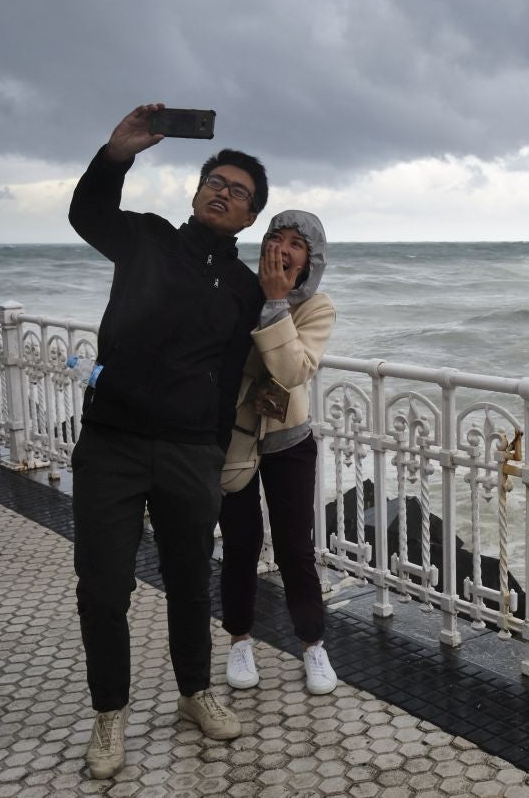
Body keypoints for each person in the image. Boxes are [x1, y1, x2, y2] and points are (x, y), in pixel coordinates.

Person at [68, 103, 266, 780]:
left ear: (249, 217)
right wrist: (116, 153)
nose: (224, 192)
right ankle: (109, 716)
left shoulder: (242, 288)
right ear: (197, 191)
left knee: (189, 583)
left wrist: (212, 452)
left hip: (189, 454)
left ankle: (194, 693)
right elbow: (88, 216)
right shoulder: (147, 239)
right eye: (217, 180)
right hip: (113, 443)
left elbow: (235, 368)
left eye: (240, 192)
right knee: (103, 588)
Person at [218, 211, 338, 697]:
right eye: (275, 238)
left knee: (295, 548)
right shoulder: (237, 292)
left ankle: (313, 645)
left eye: (296, 244)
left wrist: (274, 304)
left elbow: (291, 371)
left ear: (311, 258)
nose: (283, 250)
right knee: (240, 545)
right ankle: (239, 640)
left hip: (289, 441)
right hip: (235, 436)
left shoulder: (317, 307)